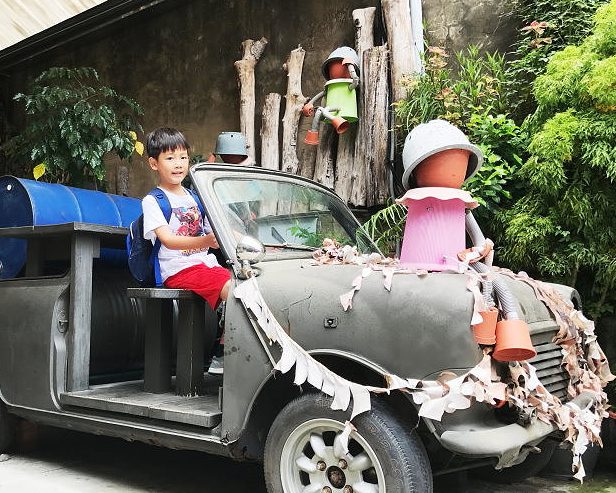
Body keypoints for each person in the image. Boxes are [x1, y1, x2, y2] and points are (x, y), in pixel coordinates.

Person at [143, 127, 230, 374]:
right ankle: (223, 355)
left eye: (183, 157)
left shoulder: (195, 197)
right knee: (235, 290)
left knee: (250, 283)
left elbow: (219, 228)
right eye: (170, 158)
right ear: (154, 164)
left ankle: (226, 346)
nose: (178, 164)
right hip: (177, 269)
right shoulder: (153, 201)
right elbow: (168, 240)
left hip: (204, 266)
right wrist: (205, 242)